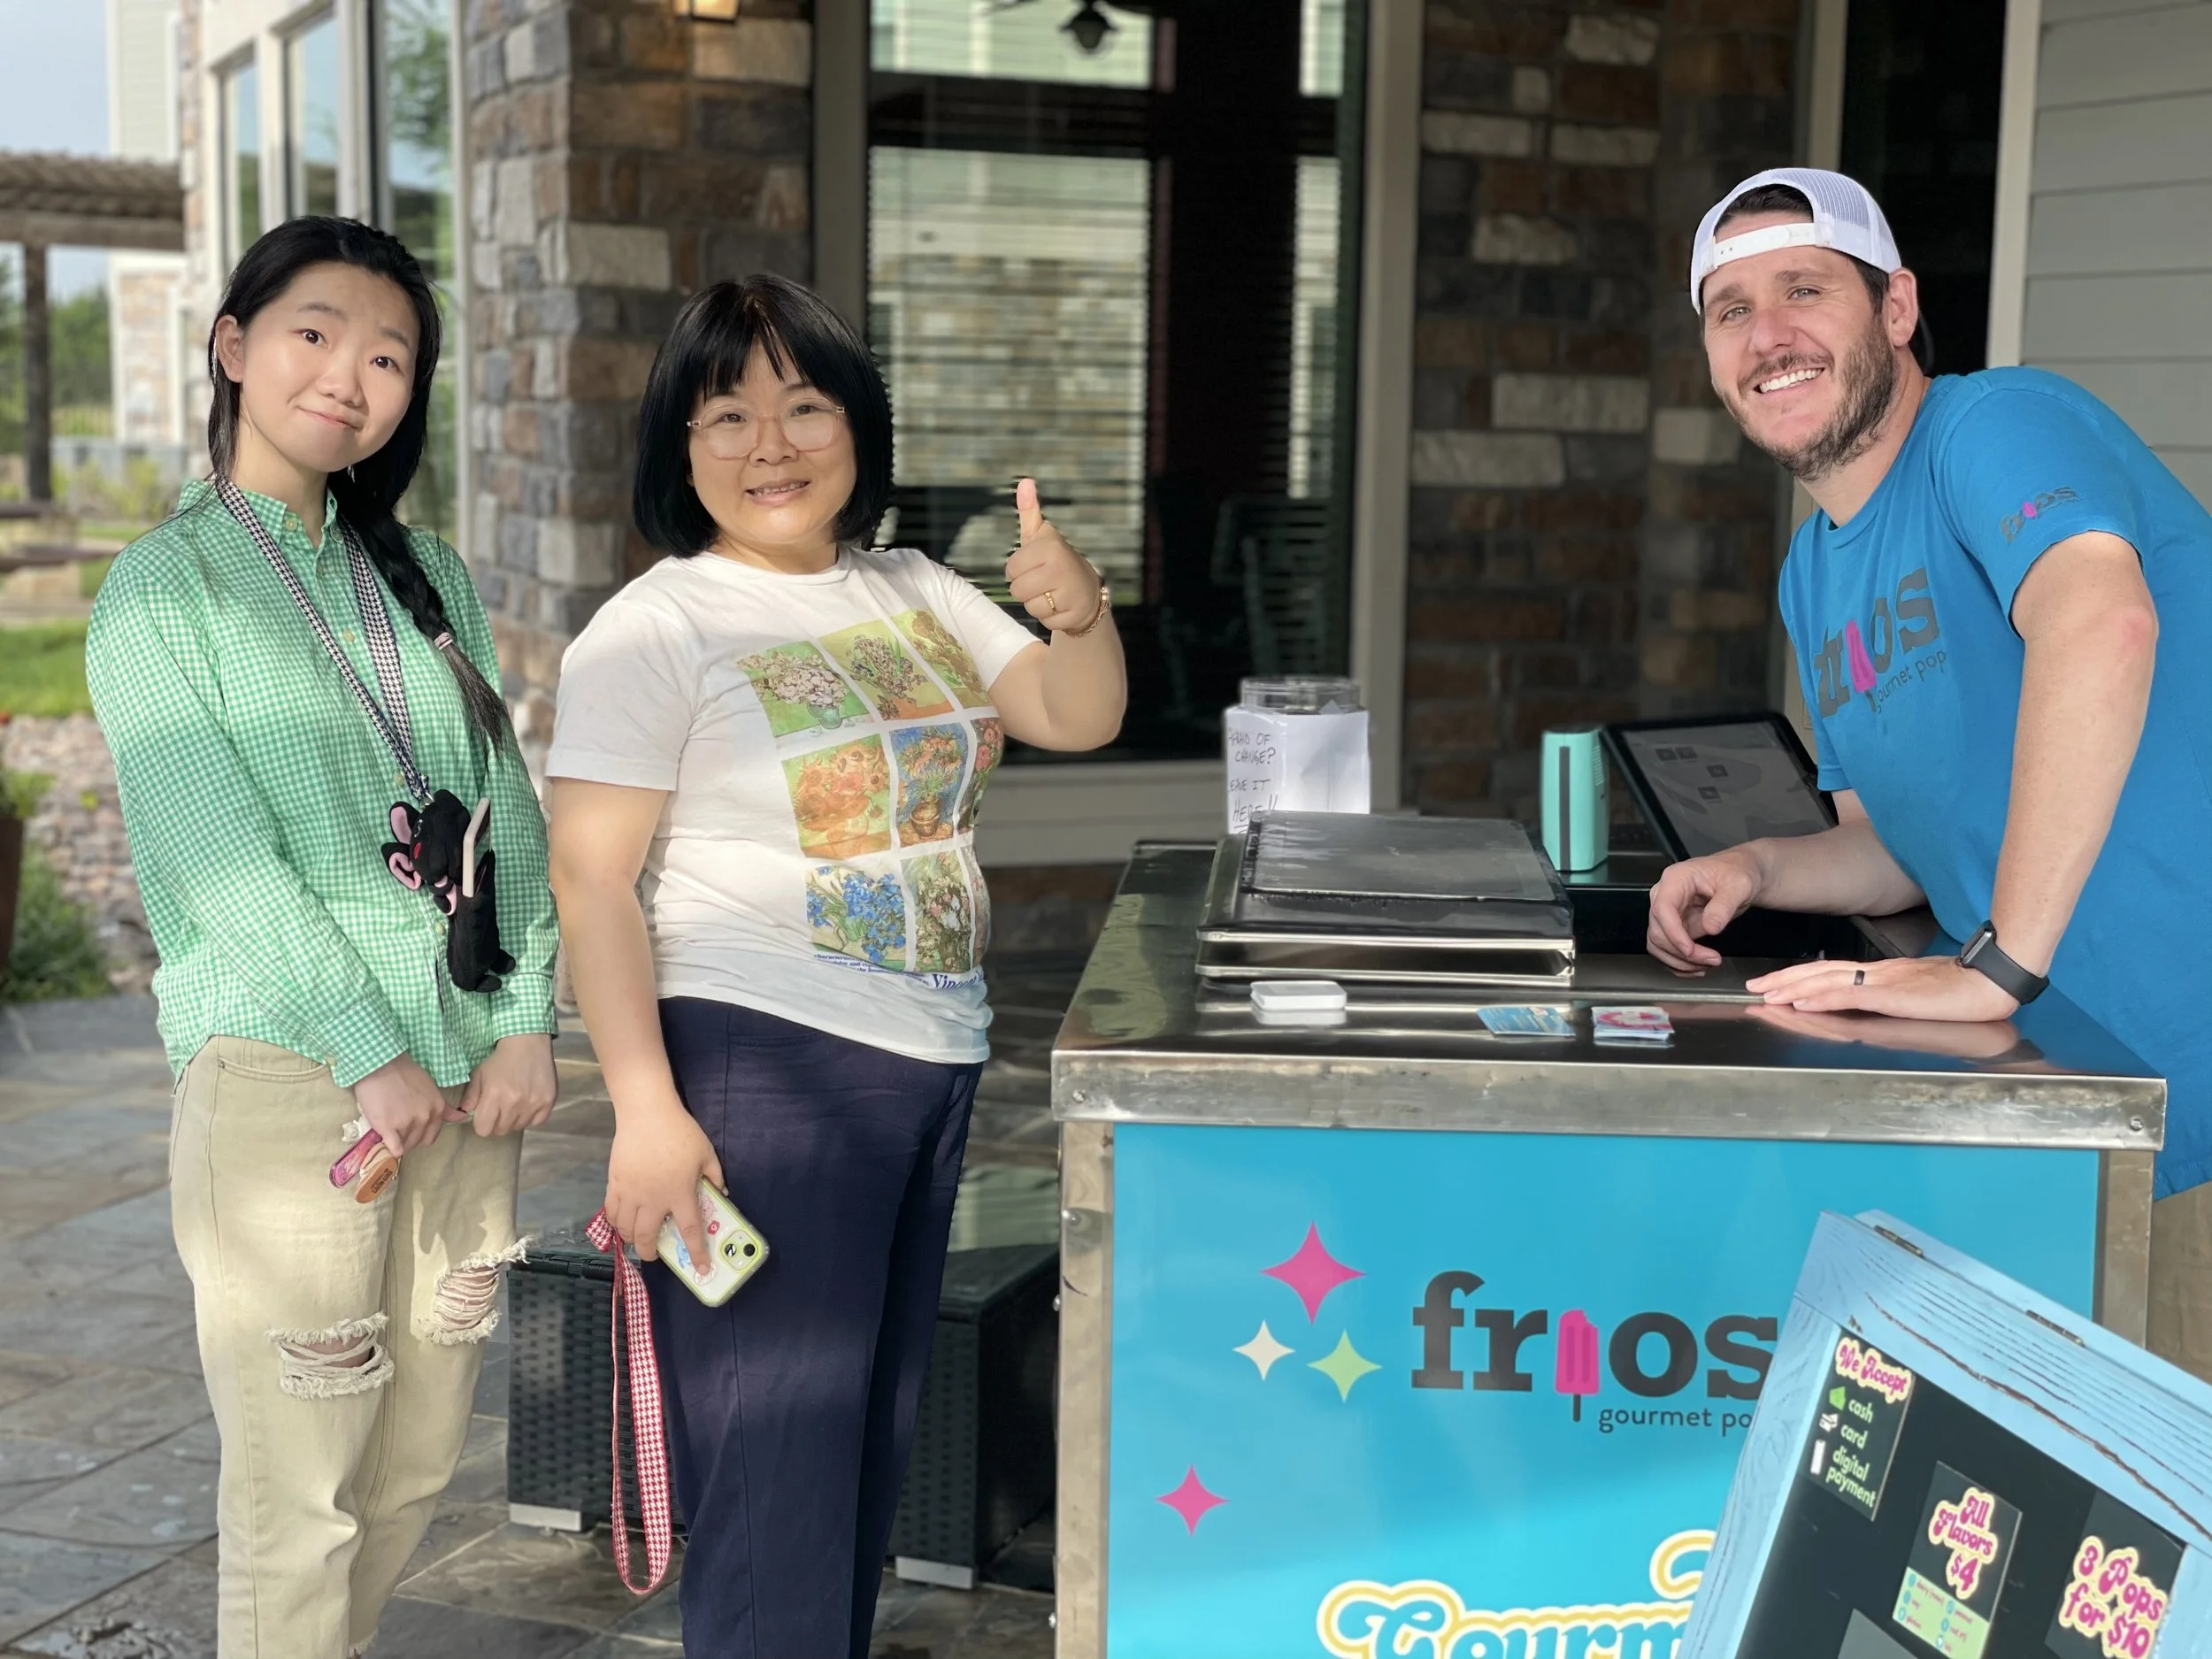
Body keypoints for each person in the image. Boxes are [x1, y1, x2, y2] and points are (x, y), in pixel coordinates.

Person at [546, 273, 1126, 1656]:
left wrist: (1081, 612)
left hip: (927, 1064)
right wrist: (645, 1108)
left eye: (804, 407)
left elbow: (1076, 713)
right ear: (680, 446)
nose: (772, 445)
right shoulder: (658, 625)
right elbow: (591, 878)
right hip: (761, 1072)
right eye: (727, 415)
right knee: (777, 1484)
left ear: (857, 425)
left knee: (860, 1461)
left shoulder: (912, 587)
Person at [1647, 167, 2212, 1376]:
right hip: (2074, 1116)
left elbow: (2102, 623)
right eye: (1732, 309)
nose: (1768, 334)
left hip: (2190, 1098)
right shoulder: (1813, 572)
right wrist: (1756, 868)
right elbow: (1903, 844)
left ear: (1897, 308)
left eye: (1805, 290)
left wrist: (1995, 965)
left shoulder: (1992, 425)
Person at [86, 218, 559, 1656]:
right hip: (298, 1085)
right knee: (301, 1501)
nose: (349, 376)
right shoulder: (161, 589)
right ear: (233, 346)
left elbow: (505, 806)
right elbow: (222, 858)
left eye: (389, 355)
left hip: (462, 1084)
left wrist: (525, 1014)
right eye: (314, 333)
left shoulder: (429, 575)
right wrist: (366, 1048)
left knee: (410, 1468)